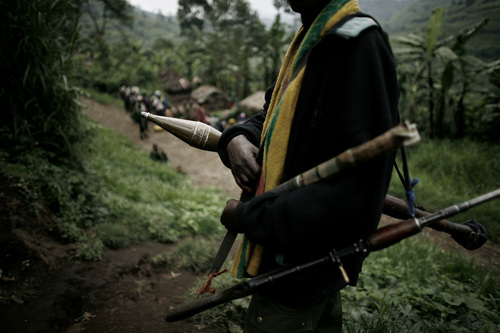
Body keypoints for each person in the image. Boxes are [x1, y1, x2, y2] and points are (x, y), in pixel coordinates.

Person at [216, 0, 400, 332]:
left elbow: (356, 193)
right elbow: (273, 116)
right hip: (293, 268)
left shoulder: (356, 44)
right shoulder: (311, 38)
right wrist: (237, 137)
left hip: (300, 269)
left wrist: (249, 217)